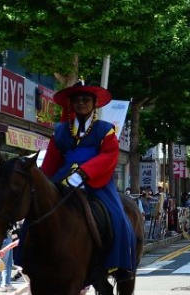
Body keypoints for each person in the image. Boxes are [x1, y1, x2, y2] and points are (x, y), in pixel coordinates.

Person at [40, 79, 137, 279]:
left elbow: (109, 156)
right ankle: (30, 259)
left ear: (94, 103)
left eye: (85, 99)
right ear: (71, 104)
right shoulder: (60, 131)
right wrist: (40, 182)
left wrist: (85, 172)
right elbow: (51, 161)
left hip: (96, 180)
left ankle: (119, 264)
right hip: (64, 180)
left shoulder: (105, 129)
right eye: (77, 99)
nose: (81, 103)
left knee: (118, 218)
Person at [0, 226, 18, 292]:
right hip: (3, 235)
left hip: (9, 235)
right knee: (1, 262)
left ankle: (6, 283)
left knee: (8, 262)